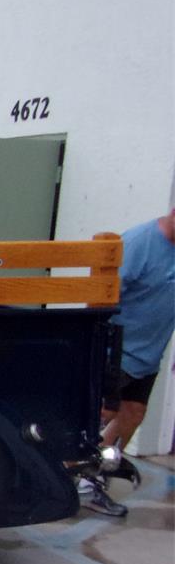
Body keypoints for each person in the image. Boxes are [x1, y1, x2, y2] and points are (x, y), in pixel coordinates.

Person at [81, 205, 175, 516]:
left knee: (134, 412)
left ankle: (98, 472)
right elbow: (100, 298)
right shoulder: (139, 244)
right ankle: (79, 479)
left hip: (149, 354)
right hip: (117, 351)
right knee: (100, 413)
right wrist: (100, 352)